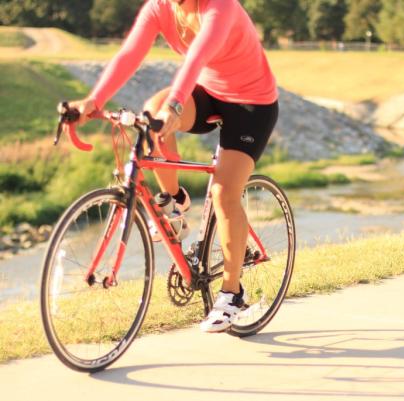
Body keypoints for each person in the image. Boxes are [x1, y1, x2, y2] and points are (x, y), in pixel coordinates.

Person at [69, 0, 279, 333]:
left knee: (225, 193)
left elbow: (196, 57)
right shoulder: (160, 8)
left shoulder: (220, 7)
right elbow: (129, 54)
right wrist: (92, 101)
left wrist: (176, 106)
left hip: (251, 104)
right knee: (152, 113)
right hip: (210, 92)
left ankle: (232, 293)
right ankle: (174, 203)